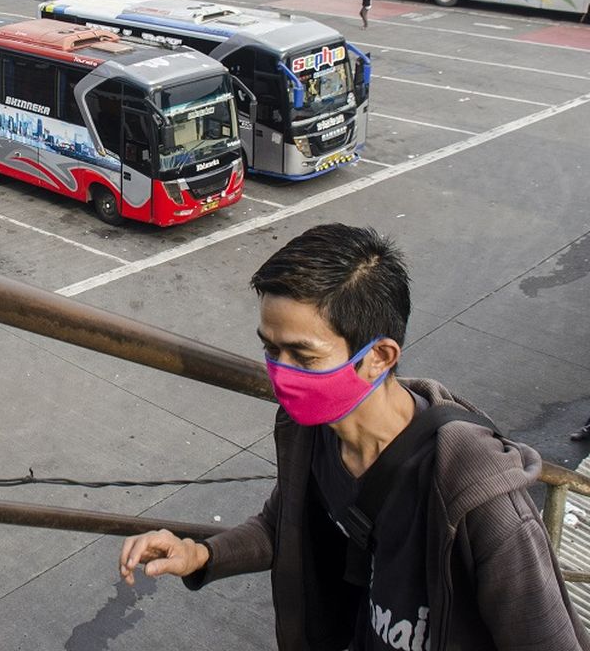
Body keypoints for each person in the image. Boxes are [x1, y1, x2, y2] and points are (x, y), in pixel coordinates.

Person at [119, 224, 590, 651]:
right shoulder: (312, 432)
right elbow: (282, 523)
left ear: (380, 356)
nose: (281, 373)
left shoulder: (474, 489)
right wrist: (200, 554)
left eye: (303, 355)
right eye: (270, 348)